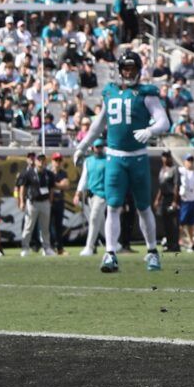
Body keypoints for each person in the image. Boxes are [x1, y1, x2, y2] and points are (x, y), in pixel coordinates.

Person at [73, 48, 169, 274]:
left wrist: (150, 130)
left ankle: (152, 252)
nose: (128, 72)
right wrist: (82, 145)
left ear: (138, 70)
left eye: (132, 68)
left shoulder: (147, 93)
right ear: (119, 70)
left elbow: (164, 122)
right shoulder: (110, 92)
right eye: (125, 68)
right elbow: (98, 124)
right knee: (113, 206)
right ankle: (110, 253)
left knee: (144, 207)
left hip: (137, 158)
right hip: (114, 158)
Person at [177, 153, 194, 251]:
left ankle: (191, 243)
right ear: (184, 162)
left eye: (191, 160)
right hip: (184, 201)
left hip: (193, 201)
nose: (190, 162)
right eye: (188, 160)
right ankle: (176, 241)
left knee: (191, 224)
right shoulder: (181, 171)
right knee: (181, 223)